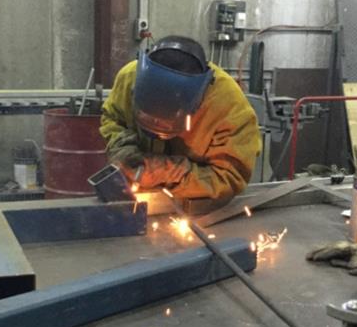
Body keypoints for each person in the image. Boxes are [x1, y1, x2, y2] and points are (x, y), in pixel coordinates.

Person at [100, 35, 261, 204]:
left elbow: (230, 177)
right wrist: (123, 146)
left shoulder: (230, 106)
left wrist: (172, 172)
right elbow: (113, 118)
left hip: (200, 204)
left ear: (198, 101)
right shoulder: (129, 78)